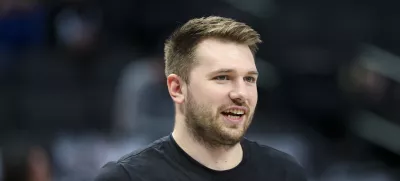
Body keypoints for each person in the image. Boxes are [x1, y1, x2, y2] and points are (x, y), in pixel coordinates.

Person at [94, 16, 307, 181]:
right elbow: (128, 126)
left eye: (249, 79)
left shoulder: (284, 173)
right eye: (222, 77)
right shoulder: (127, 178)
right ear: (177, 87)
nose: (241, 93)